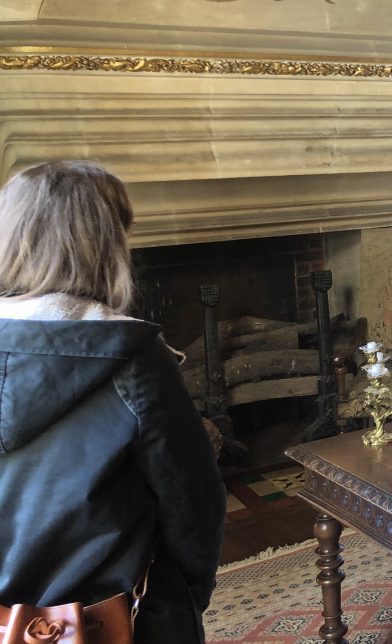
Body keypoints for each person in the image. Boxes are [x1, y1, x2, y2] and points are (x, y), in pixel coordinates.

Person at [0, 160, 225, 643]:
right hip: (119, 620)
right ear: (108, 246)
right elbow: (193, 506)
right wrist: (188, 598)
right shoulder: (135, 358)